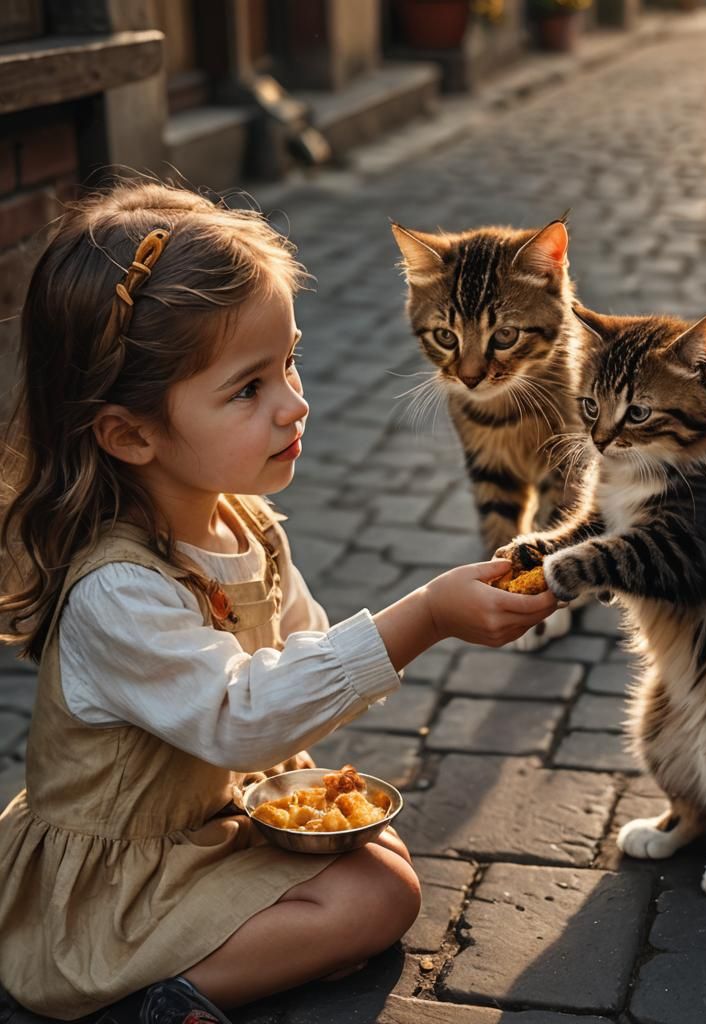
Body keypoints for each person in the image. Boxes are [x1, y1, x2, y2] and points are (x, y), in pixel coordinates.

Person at [0, 180, 557, 1023]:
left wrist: (309, 775)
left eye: (289, 362)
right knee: (375, 903)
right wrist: (427, 617)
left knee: (383, 869)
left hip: (204, 821)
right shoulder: (117, 591)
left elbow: (303, 660)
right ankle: (136, 1001)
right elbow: (244, 717)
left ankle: (233, 954)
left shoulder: (246, 525)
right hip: (113, 882)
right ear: (130, 434)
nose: (296, 402)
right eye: (248, 388)